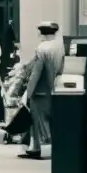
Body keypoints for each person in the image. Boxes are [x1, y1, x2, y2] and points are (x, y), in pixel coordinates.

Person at [19, 21, 64, 160]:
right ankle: (37, 148)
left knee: (37, 119)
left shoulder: (42, 48)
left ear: (41, 33)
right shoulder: (60, 46)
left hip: (40, 90)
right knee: (51, 118)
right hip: (54, 87)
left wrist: (28, 91)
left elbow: (35, 74)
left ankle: (37, 148)